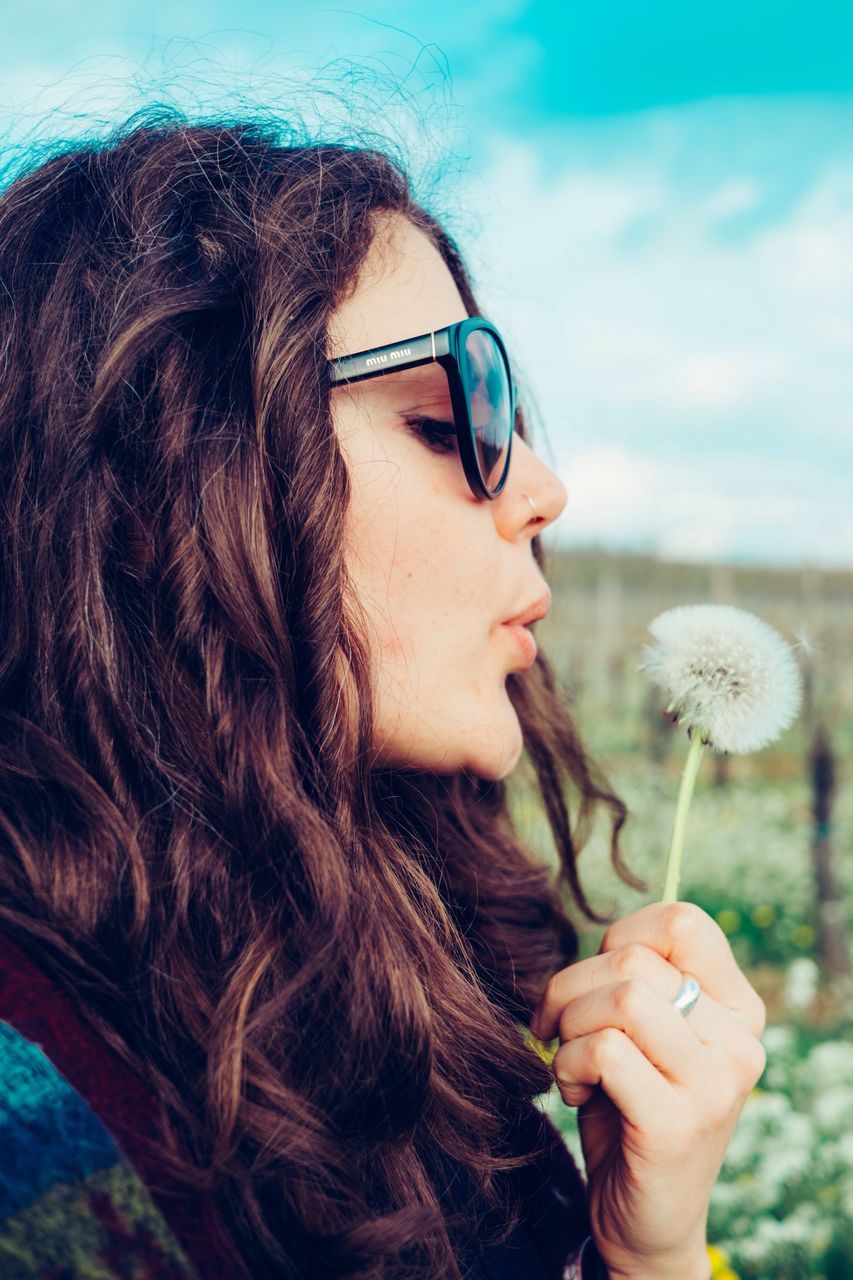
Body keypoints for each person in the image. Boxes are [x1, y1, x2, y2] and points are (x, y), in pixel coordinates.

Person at [0, 111, 766, 1280]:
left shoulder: (402, 994)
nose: (546, 489)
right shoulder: (36, 1125)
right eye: (442, 418)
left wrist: (646, 1247)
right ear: (166, 480)